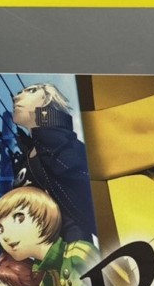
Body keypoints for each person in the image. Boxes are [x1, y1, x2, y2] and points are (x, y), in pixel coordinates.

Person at [11, 82, 97, 242]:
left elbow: (90, 185)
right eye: (19, 93)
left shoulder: (60, 143)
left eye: (30, 91)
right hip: (37, 248)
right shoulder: (26, 157)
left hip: (71, 245)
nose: (16, 97)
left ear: (47, 100)